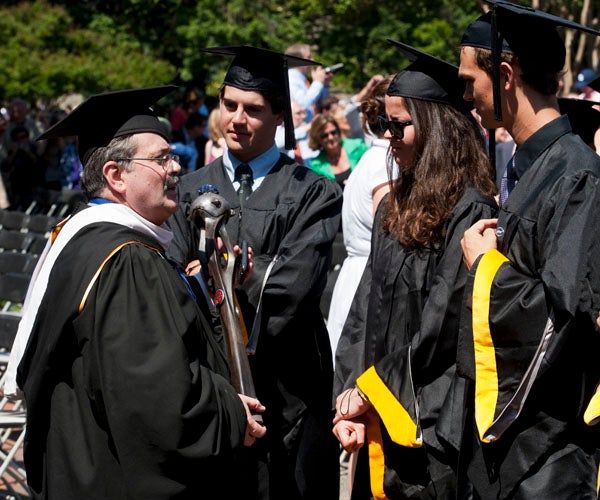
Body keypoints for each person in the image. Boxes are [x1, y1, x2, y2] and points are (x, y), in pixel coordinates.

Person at [4, 85, 266, 499]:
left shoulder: (84, 240)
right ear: (116, 175)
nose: (177, 168)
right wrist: (231, 411)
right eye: (162, 158)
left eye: (173, 155)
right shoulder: (127, 260)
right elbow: (162, 400)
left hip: (79, 465)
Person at [166, 46, 342, 500]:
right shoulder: (187, 189)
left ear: (280, 116)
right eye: (229, 105)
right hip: (214, 386)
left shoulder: (314, 193)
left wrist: (229, 275)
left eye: (253, 110)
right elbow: (172, 279)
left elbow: (296, 284)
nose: (236, 119)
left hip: (289, 385)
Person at [332, 40, 498, 499]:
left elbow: (444, 323)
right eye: (383, 123)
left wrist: (371, 390)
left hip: (433, 422)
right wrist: (348, 400)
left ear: (436, 128)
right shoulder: (392, 206)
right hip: (377, 413)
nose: (388, 135)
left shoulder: (471, 212)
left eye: (398, 124)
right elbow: (363, 314)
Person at [458, 2, 600, 497]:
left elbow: (568, 317)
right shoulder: (530, 169)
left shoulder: (576, 174)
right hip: (512, 445)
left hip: (549, 452)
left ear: (504, 74)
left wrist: (484, 267)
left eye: (468, 81)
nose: (466, 97)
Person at [326, 75, 395, 358]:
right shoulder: (385, 166)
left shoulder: (371, 158)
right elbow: (390, 234)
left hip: (356, 277)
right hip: (368, 285)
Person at [308, 114, 369, 190]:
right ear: (318, 139)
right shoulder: (317, 165)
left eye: (333, 132)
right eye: (324, 135)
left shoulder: (357, 147)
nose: (330, 137)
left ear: (338, 131)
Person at [285, 43, 334, 122]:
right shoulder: (291, 78)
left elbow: (322, 104)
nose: (313, 60)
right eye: (309, 57)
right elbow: (303, 105)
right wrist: (318, 82)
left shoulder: (301, 79)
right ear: (298, 60)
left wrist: (324, 84)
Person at [275, 99, 319, 165]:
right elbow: (278, 142)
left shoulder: (305, 134)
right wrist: (307, 127)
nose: (304, 116)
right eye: (298, 113)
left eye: (303, 112)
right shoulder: (277, 131)